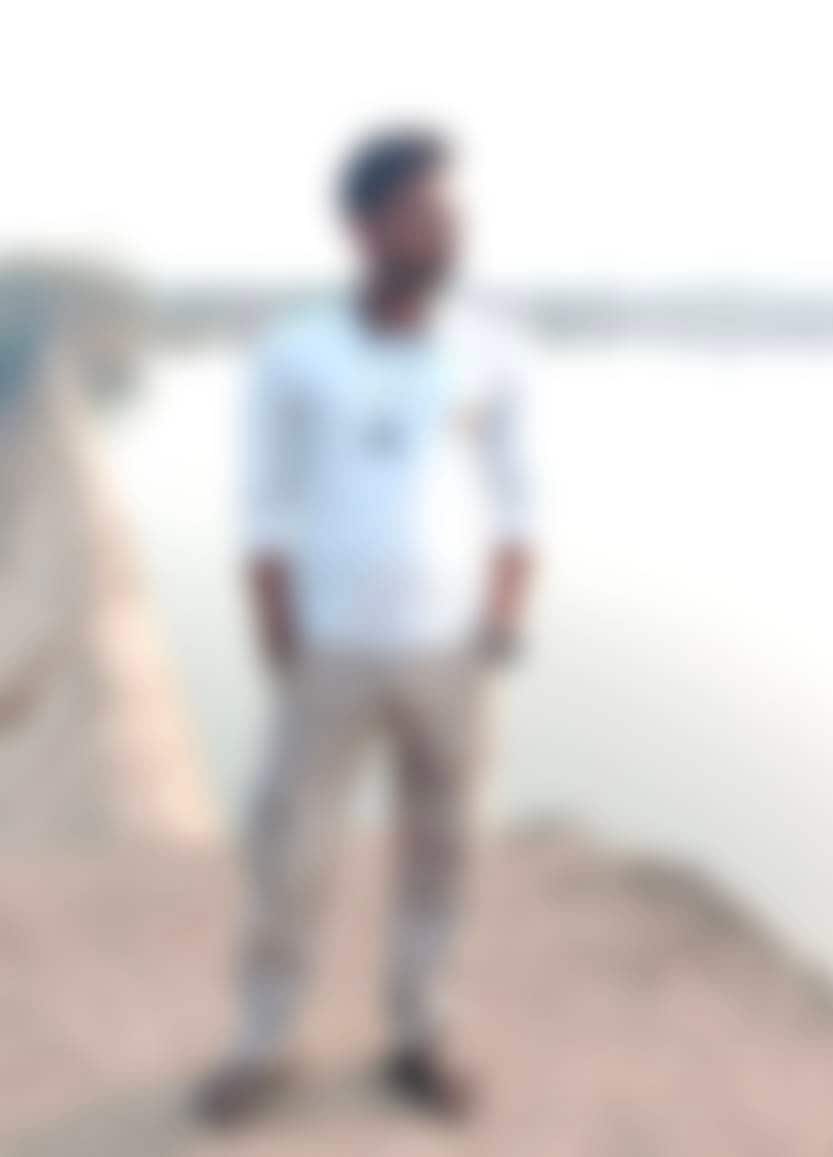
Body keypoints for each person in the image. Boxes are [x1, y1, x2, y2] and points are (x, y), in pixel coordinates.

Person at [196, 127, 537, 1126]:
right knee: (291, 852)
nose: (447, 228)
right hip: (330, 648)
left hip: (452, 649)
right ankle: (263, 1040)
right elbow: (264, 502)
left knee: (443, 851)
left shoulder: (489, 347)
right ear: (364, 227)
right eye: (423, 211)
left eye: (450, 210)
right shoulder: (297, 351)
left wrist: (503, 615)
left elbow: (518, 496)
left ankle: (419, 1035)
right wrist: (277, 629)